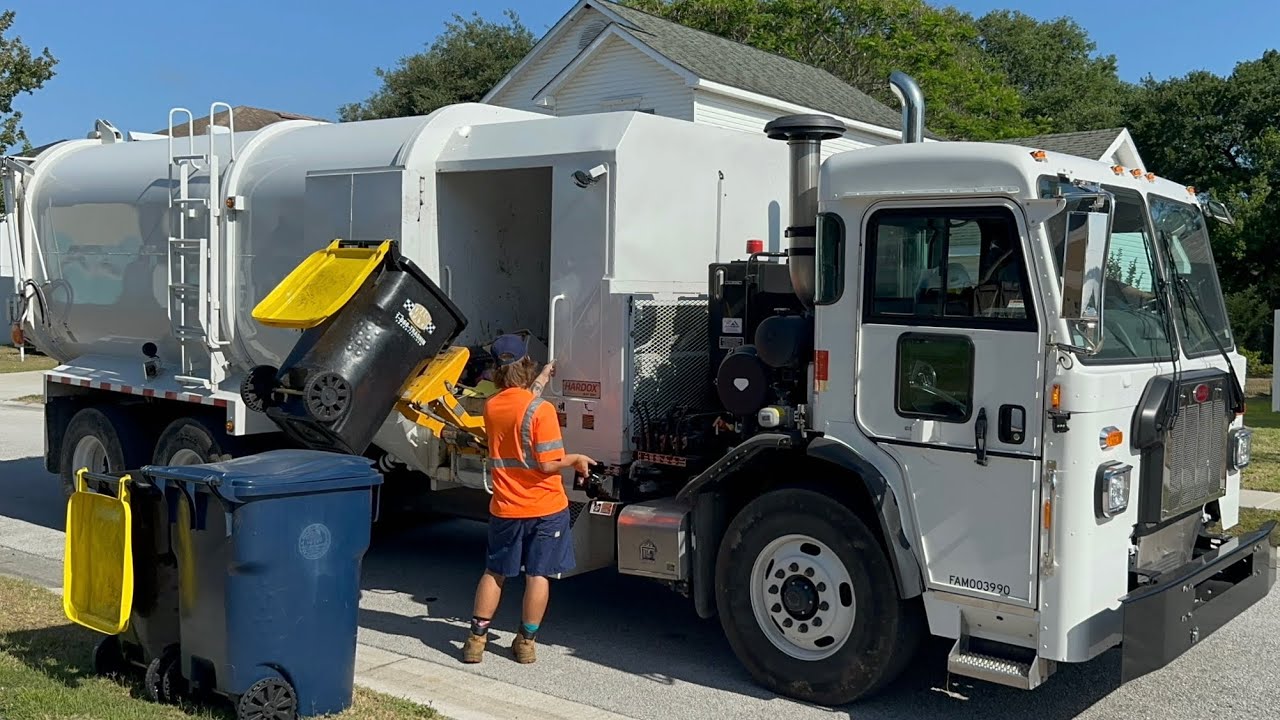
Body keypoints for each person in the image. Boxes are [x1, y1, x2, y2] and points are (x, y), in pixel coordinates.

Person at [461, 333, 595, 664]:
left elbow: (519, 408)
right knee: (538, 575)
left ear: (497, 370)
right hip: (546, 508)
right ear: (525, 364)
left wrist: (541, 380)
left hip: (506, 507)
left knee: (495, 572)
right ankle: (525, 643)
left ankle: (475, 641)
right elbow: (548, 461)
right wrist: (576, 457)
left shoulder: (492, 407)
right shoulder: (543, 411)